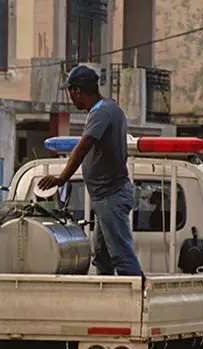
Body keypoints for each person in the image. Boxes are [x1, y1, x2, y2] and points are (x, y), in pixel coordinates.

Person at [38, 65, 143, 276]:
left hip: (110, 195)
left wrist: (61, 179)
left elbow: (82, 147)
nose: (70, 98)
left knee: (121, 256)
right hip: (107, 195)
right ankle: (109, 294)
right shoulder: (110, 108)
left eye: (70, 92)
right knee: (102, 256)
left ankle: (136, 294)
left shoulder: (101, 113)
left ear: (77, 91)